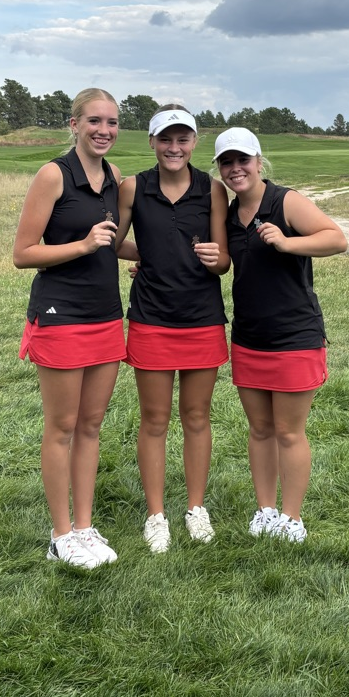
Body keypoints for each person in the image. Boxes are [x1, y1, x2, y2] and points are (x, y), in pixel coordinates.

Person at [13, 87, 138, 570]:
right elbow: (24, 254)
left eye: (111, 122)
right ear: (74, 124)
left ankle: (85, 527)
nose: (103, 130)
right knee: (62, 427)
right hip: (61, 315)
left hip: (106, 314)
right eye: (94, 122)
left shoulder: (114, 178)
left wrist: (162, 258)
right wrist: (82, 246)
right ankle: (60, 533)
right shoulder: (52, 175)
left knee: (90, 425)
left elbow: (114, 243)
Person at [213, 127, 347, 542]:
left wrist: (288, 243)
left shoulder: (284, 200)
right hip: (250, 336)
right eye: (227, 163)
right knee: (259, 430)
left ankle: (292, 517)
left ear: (258, 161)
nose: (237, 169)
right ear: (220, 169)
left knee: (289, 431)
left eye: (243, 160)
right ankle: (265, 510)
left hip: (295, 335)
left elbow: (336, 239)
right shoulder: (231, 215)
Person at [116, 105, 230, 553]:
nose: (174, 147)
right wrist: (142, 257)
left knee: (197, 417)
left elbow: (223, 260)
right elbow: (113, 241)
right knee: (155, 419)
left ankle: (196, 508)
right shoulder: (134, 187)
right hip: (151, 319)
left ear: (194, 143)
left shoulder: (213, 190)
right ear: (152, 142)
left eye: (183, 139)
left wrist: (215, 259)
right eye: (166, 139)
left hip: (202, 319)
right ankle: (156, 514)